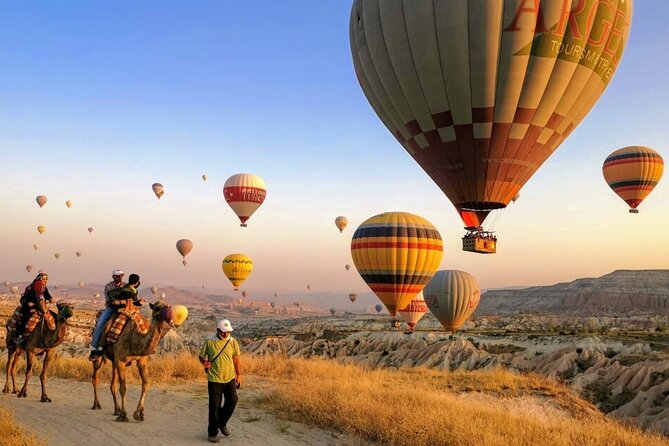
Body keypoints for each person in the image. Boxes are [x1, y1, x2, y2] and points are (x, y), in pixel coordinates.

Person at [199, 319, 242, 443]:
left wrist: (239, 375)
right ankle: (212, 433)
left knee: (233, 400)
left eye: (228, 332)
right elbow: (201, 356)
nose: (226, 334)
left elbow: (236, 359)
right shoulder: (209, 341)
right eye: (223, 332)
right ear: (218, 330)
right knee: (214, 406)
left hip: (229, 378)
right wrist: (204, 363)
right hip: (214, 379)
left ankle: (222, 423)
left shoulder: (233, 342)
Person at [89, 269, 126, 358]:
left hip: (124, 309)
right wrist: (119, 301)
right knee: (100, 324)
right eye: (118, 276)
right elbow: (110, 299)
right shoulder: (108, 286)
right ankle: (95, 348)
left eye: (121, 275)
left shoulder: (125, 285)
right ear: (113, 277)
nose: (120, 277)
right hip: (112, 309)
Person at [14, 272, 53, 344]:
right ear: (39, 279)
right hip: (29, 306)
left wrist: (50, 298)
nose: (45, 281)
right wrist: (33, 304)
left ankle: (49, 333)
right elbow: (34, 298)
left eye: (46, 279)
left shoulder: (43, 287)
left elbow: (47, 294)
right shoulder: (34, 286)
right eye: (44, 279)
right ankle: (20, 335)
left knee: (52, 316)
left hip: (40, 305)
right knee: (26, 319)